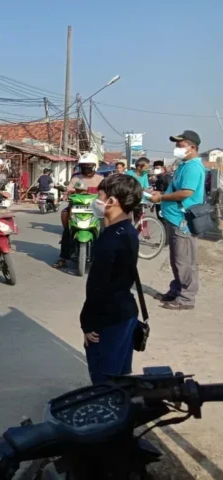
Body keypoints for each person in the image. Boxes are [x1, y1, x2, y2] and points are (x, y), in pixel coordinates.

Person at [81, 174, 143, 384]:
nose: (96, 201)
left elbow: (98, 287)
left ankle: (107, 413)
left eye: (99, 196)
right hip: (125, 313)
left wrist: (87, 323)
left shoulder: (111, 238)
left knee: (104, 381)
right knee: (119, 376)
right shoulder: (127, 231)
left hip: (108, 319)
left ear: (112, 201)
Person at [150, 130, 206, 311]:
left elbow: (186, 193)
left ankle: (187, 297)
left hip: (183, 220)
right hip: (175, 218)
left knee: (185, 260)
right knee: (177, 259)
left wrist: (162, 198)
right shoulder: (184, 165)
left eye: (180, 145)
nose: (177, 148)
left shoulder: (192, 167)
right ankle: (176, 290)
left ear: (192, 147)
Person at [53, 153, 104, 269]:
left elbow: (106, 192)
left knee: (103, 230)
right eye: (83, 166)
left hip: (95, 208)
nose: (86, 169)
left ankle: (104, 258)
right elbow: (69, 189)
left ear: (95, 166)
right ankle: (63, 258)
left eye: (89, 166)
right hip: (77, 207)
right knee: (67, 225)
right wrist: (67, 194)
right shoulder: (75, 177)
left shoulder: (100, 179)